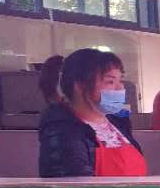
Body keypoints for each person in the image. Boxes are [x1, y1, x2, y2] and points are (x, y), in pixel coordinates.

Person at [39, 48, 147, 177]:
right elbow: (74, 185)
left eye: (120, 80)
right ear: (80, 86)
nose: (120, 88)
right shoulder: (63, 130)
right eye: (110, 81)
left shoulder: (118, 123)